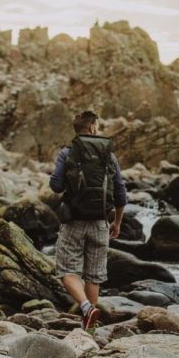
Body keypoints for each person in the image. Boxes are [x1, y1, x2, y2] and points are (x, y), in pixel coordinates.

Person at [50, 110, 127, 331]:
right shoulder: (109, 155)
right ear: (93, 127)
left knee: (66, 271)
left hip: (74, 220)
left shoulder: (68, 152)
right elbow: (121, 193)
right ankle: (89, 329)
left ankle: (85, 307)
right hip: (100, 221)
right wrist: (117, 222)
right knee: (94, 275)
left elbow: (56, 186)